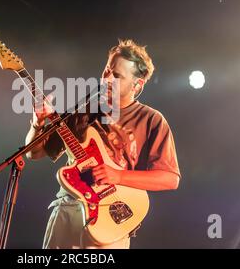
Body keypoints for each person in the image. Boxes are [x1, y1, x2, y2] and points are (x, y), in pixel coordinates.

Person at [25, 39, 181, 249]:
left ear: (137, 85)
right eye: (107, 70)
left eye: (117, 76)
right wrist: (37, 123)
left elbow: (170, 179)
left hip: (111, 221)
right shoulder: (82, 110)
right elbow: (34, 154)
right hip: (68, 211)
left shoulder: (152, 120)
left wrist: (118, 175)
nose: (107, 78)